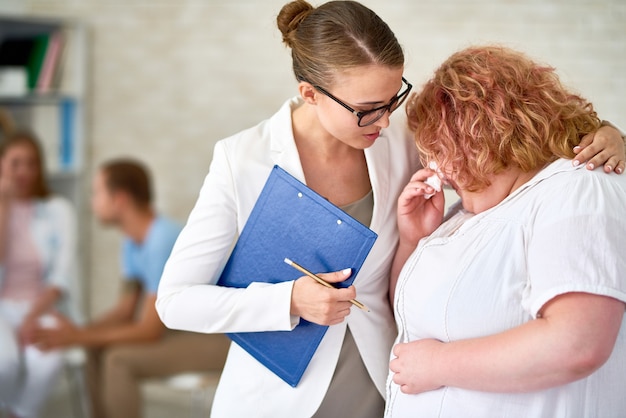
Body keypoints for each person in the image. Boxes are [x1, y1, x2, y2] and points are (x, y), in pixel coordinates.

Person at [155, 1, 625, 417]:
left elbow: (508, 136)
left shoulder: (397, 139)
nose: (383, 120)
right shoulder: (243, 160)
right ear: (310, 94)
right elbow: (176, 301)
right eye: (366, 109)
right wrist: (289, 301)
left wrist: (605, 133)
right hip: (278, 395)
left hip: (384, 381)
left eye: (392, 99)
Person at [387, 45, 626, 417]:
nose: (435, 167)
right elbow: (409, 316)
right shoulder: (466, 211)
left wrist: (437, 365)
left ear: (483, 133)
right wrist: (412, 240)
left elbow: (578, 345)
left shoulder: (577, 189)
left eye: (440, 148)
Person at [32, 159, 230, 418]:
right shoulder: (132, 241)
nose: (92, 202)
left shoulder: (162, 240)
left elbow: (149, 330)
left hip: (217, 339)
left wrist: (76, 336)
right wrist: (79, 332)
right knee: (95, 348)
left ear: (120, 199)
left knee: (118, 360)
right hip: (178, 333)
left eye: (97, 193)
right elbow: (125, 310)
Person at [0, 131, 80, 418]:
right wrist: (4, 204)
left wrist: (32, 316)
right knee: (4, 363)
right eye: (15, 163)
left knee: (47, 361)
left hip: (41, 303)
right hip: (2, 307)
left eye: (31, 163)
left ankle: (19, 413)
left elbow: (61, 275)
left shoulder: (58, 210)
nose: (24, 171)